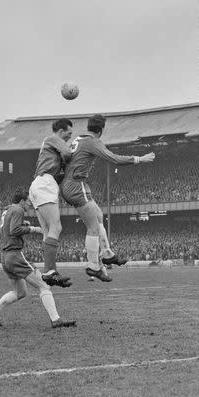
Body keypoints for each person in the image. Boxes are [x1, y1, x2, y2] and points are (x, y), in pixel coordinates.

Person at [60, 114, 155, 282]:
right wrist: (141, 159)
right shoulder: (92, 142)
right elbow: (114, 159)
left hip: (73, 183)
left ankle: (107, 254)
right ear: (101, 130)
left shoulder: (79, 139)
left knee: (98, 217)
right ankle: (93, 266)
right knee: (93, 227)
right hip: (76, 184)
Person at [0, 189, 76, 329]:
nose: (29, 205)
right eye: (28, 202)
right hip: (15, 255)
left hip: (5, 257)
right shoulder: (18, 209)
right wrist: (33, 229)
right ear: (22, 201)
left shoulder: (7, 210)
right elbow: (14, 230)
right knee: (44, 285)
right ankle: (56, 320)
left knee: (21, 292)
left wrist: (25, 224)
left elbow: (8, 228)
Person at [28, 118, 74, 288]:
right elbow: (68, 154)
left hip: (39, 184)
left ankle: (49, 272)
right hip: (45, 183)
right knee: (57, 228)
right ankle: (49, 271)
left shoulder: (49, 145)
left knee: (47, 231)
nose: (69, 137)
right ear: (60, 131)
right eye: (68, 134)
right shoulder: (53, 139)